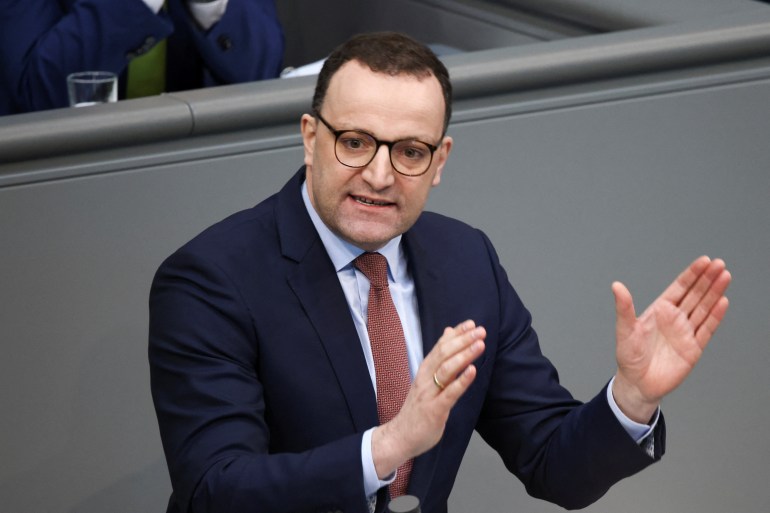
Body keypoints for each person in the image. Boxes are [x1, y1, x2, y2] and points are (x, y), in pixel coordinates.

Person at [148, 32, 732, 513]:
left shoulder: (465, 260)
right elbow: (214, 491)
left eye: (409, 152)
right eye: (354, 142)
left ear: (439, 161)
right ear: (310, 139)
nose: (379, 175)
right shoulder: (211, 278)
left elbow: (556, 466)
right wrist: (390, 446)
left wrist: (630, 399)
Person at [0, 0, 284, 115]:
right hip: (58, 188)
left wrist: (208, 4)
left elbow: (262, 73)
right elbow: (34, 95)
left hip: (195, 175)